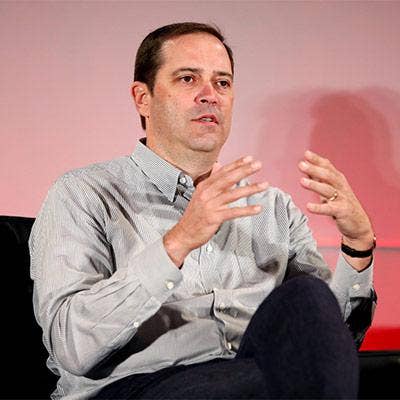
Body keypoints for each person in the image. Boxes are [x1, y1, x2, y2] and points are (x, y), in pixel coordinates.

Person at [30, 22, 376, 400]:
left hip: (249, 375)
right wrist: (177, 243)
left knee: (308, 297)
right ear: (143, 98)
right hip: (137, 387)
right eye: (188, 79)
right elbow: (72, 346)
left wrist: (357, 247)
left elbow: (329, 351)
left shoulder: (273, 208)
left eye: (222, 83)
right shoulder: (83, 194)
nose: (210, 95)